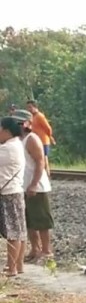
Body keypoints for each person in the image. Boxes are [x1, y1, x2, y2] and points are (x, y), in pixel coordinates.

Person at [12, 110, 52, 262]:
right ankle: (35, 249)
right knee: (28, 220)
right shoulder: (17, 140)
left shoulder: (32, 139)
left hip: (37, 186)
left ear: (27, 124)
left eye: (20, 123)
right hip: (22, 185)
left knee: (41, 220)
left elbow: (40, 161)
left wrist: (34, 184)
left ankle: (46, 250)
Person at [0, 116, 28, 276]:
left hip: (8, 194)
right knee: (19, 230)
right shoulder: (15, 144)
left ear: (6, 131)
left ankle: (12, 268)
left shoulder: (7, 149)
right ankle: (18, 265)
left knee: (13, 232)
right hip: (14, 192)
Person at [25, 100, 54, 172]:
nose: (29, 109)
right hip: (36, 141)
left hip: (43, 141)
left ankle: (47, 175)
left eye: (30, 107)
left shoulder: (40, 116)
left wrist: (50, 136)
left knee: (44, 159)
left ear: (35, 107)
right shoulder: (32, 117)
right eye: (27, 108)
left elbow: (48, 128)